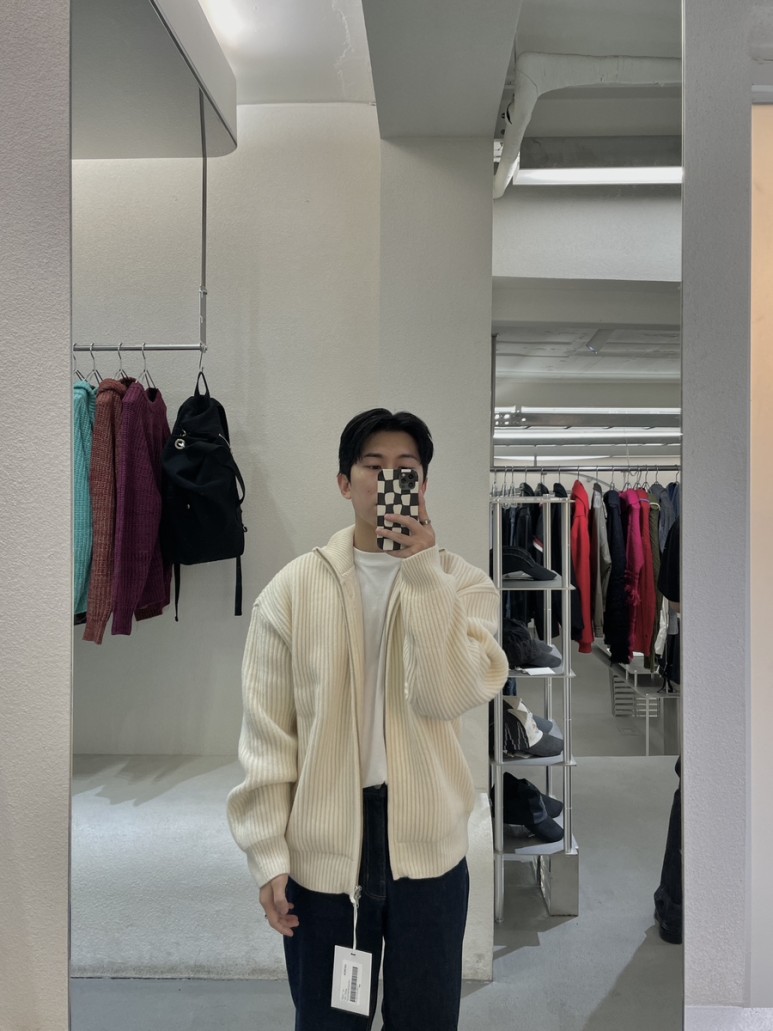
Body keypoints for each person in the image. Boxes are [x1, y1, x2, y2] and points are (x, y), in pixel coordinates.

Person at [227, 408, 508, 1031]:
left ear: (424, 485)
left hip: (429, 851)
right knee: (330, 1022)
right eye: (373, 467)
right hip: (323, 852)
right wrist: (267, 853)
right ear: (343, 482)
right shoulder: (291, 592)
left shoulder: (465, 586)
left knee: (425, 1019)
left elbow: (444, 696)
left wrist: (424, 575)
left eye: (405, 469)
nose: (388, 481)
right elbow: (269, 736)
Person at [653, 517, 682, 944]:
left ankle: (675, 909)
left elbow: (673, 600)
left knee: (692, 784)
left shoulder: (688, 523)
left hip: (711, 666)